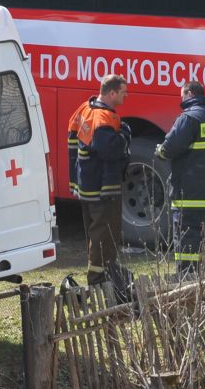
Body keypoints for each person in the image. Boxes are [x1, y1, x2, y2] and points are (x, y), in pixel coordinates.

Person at [157, 81, 205, 280]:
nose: (181, 99)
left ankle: (187, 279)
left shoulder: (188, 118)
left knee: (187, 238)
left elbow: (169, 148)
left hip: (190, 194)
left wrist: (160, 152)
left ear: (189, 93)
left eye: (182, 95)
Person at [67, 75, 130, 298]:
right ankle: (98, 281)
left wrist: (74, 181)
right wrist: (123, 136)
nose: (126, 96)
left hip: (87, 187)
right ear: (112, 93)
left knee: (95, 235)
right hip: (103, 191)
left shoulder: (84, 109)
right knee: (105, 235)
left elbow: (72, 140)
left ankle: (105, 273)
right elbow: (108, 149)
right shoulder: (104, 119)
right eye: (123, 92)